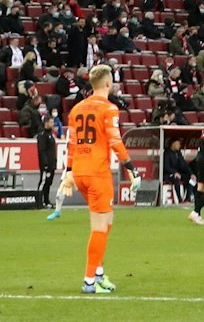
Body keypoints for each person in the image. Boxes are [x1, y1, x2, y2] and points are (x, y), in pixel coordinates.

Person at [67, 64, 128, 295]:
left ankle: (99, 273)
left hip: (80, 171)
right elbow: (115, 140)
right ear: (108, 83)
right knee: (100, 227)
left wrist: (69, 171)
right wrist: (130, 165)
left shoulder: (77, 109)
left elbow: (72, 143)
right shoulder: (109, 108)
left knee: (107, 219)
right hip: (97, 172)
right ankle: (89, 280)